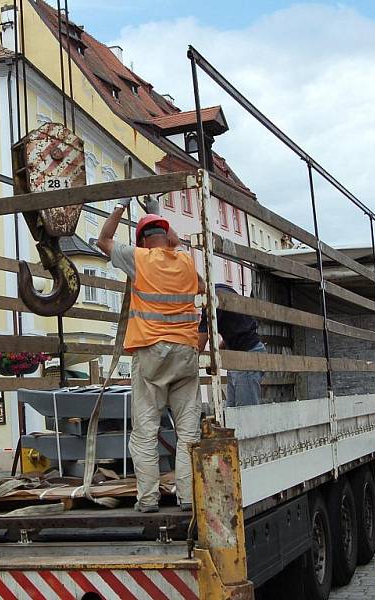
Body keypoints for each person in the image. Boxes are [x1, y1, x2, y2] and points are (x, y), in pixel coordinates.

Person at [97, 203, 204, 513]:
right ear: (166, 236)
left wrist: (120, 206)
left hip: (152, 351)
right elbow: (199, 283)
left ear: (142, 240)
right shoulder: (185, 261)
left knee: (145, 431)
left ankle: (147, 501)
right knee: (188, 432)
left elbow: (104, 240)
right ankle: (187, 498)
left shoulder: (139, 257)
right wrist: (160, 217)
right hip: (186, 351)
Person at [198, 284, 266, 407]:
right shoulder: (223, 289)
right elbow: (235, 330)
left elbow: (199, 346)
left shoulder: (211, 300)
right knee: (234, 410)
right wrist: (216, 353)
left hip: (246, 355)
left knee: (245, 412)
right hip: (240, 354)